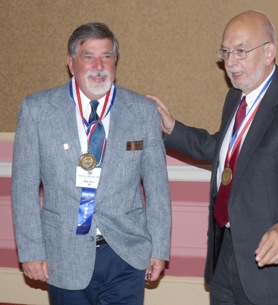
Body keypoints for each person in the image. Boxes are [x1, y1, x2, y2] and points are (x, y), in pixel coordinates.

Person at [148, 10, 278, 305]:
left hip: (275, 270)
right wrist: (172, 128)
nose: (230, 62)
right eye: (225, 52)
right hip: (227, 256)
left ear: (269, 52)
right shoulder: (237, 96)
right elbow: (225, 152)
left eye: (240, 51)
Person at [11, 22, 171, 305]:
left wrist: (159, 248)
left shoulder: (143, 112)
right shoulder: (36, 110)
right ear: (71, 63)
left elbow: (158, 188)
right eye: (88, 56)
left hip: (125, 252)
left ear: (115, 61)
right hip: (63, 254)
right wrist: (31, 251)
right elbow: (23, 188)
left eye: (106, 56)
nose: (99, 65)